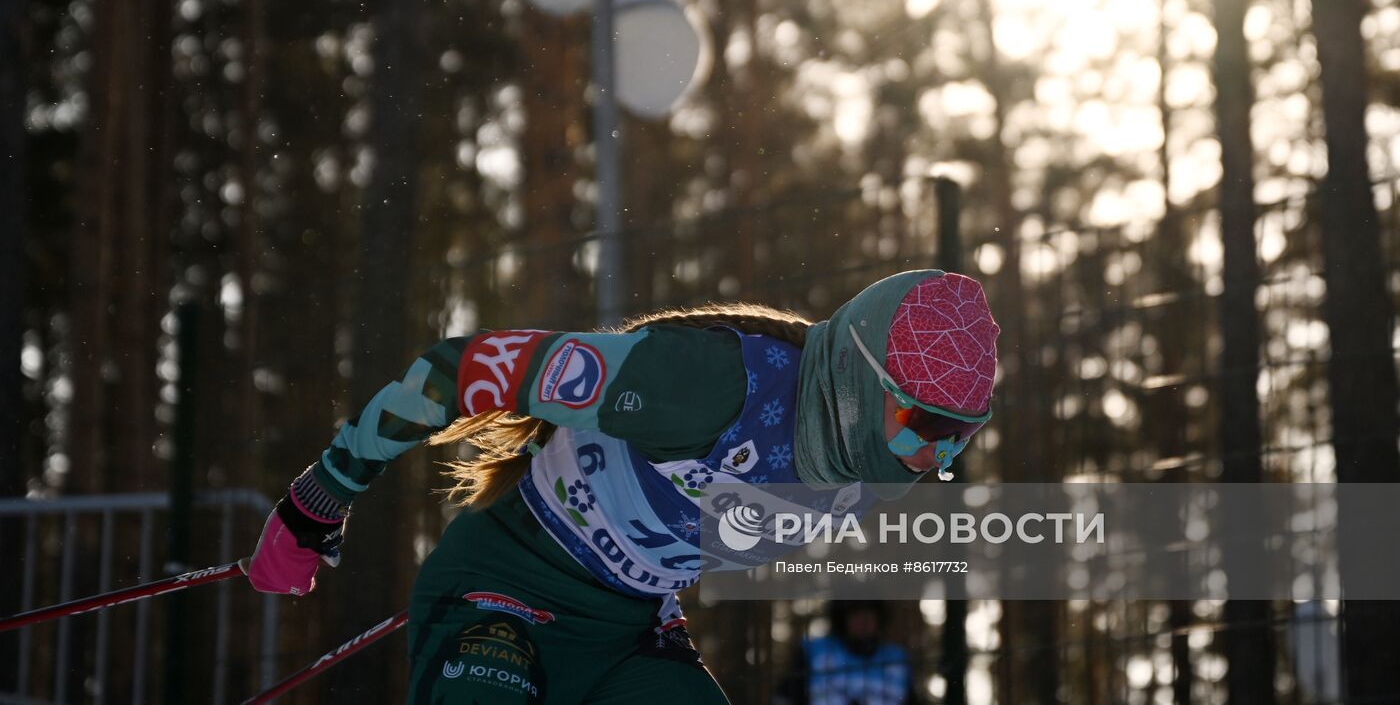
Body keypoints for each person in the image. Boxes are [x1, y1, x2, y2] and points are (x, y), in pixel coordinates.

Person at [245, 269, 999, 703]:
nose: (930, 459)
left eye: (958, 437)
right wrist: (321, 496)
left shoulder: (870, 472)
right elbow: (460, 369)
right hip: (502, 592)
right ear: (853, 381)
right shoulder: (705, 383)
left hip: (625, 637)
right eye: (922, 424)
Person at [776, 600, 917, 705]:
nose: (864, 619)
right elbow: (785, 698)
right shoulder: (814, 652)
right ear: (843, 617)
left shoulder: (898, 659)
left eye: (870, 612)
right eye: (855, 612)